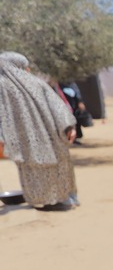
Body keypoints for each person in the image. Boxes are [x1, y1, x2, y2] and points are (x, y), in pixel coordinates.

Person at [0, 51, 79, 211]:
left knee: (35, 170)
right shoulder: (37, 82)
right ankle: (66, 198)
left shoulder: (2, 85)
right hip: (52, 136)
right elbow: (57, 106)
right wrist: (69, 126)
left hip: (26, 141)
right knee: (59, 167)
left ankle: (49, 200)